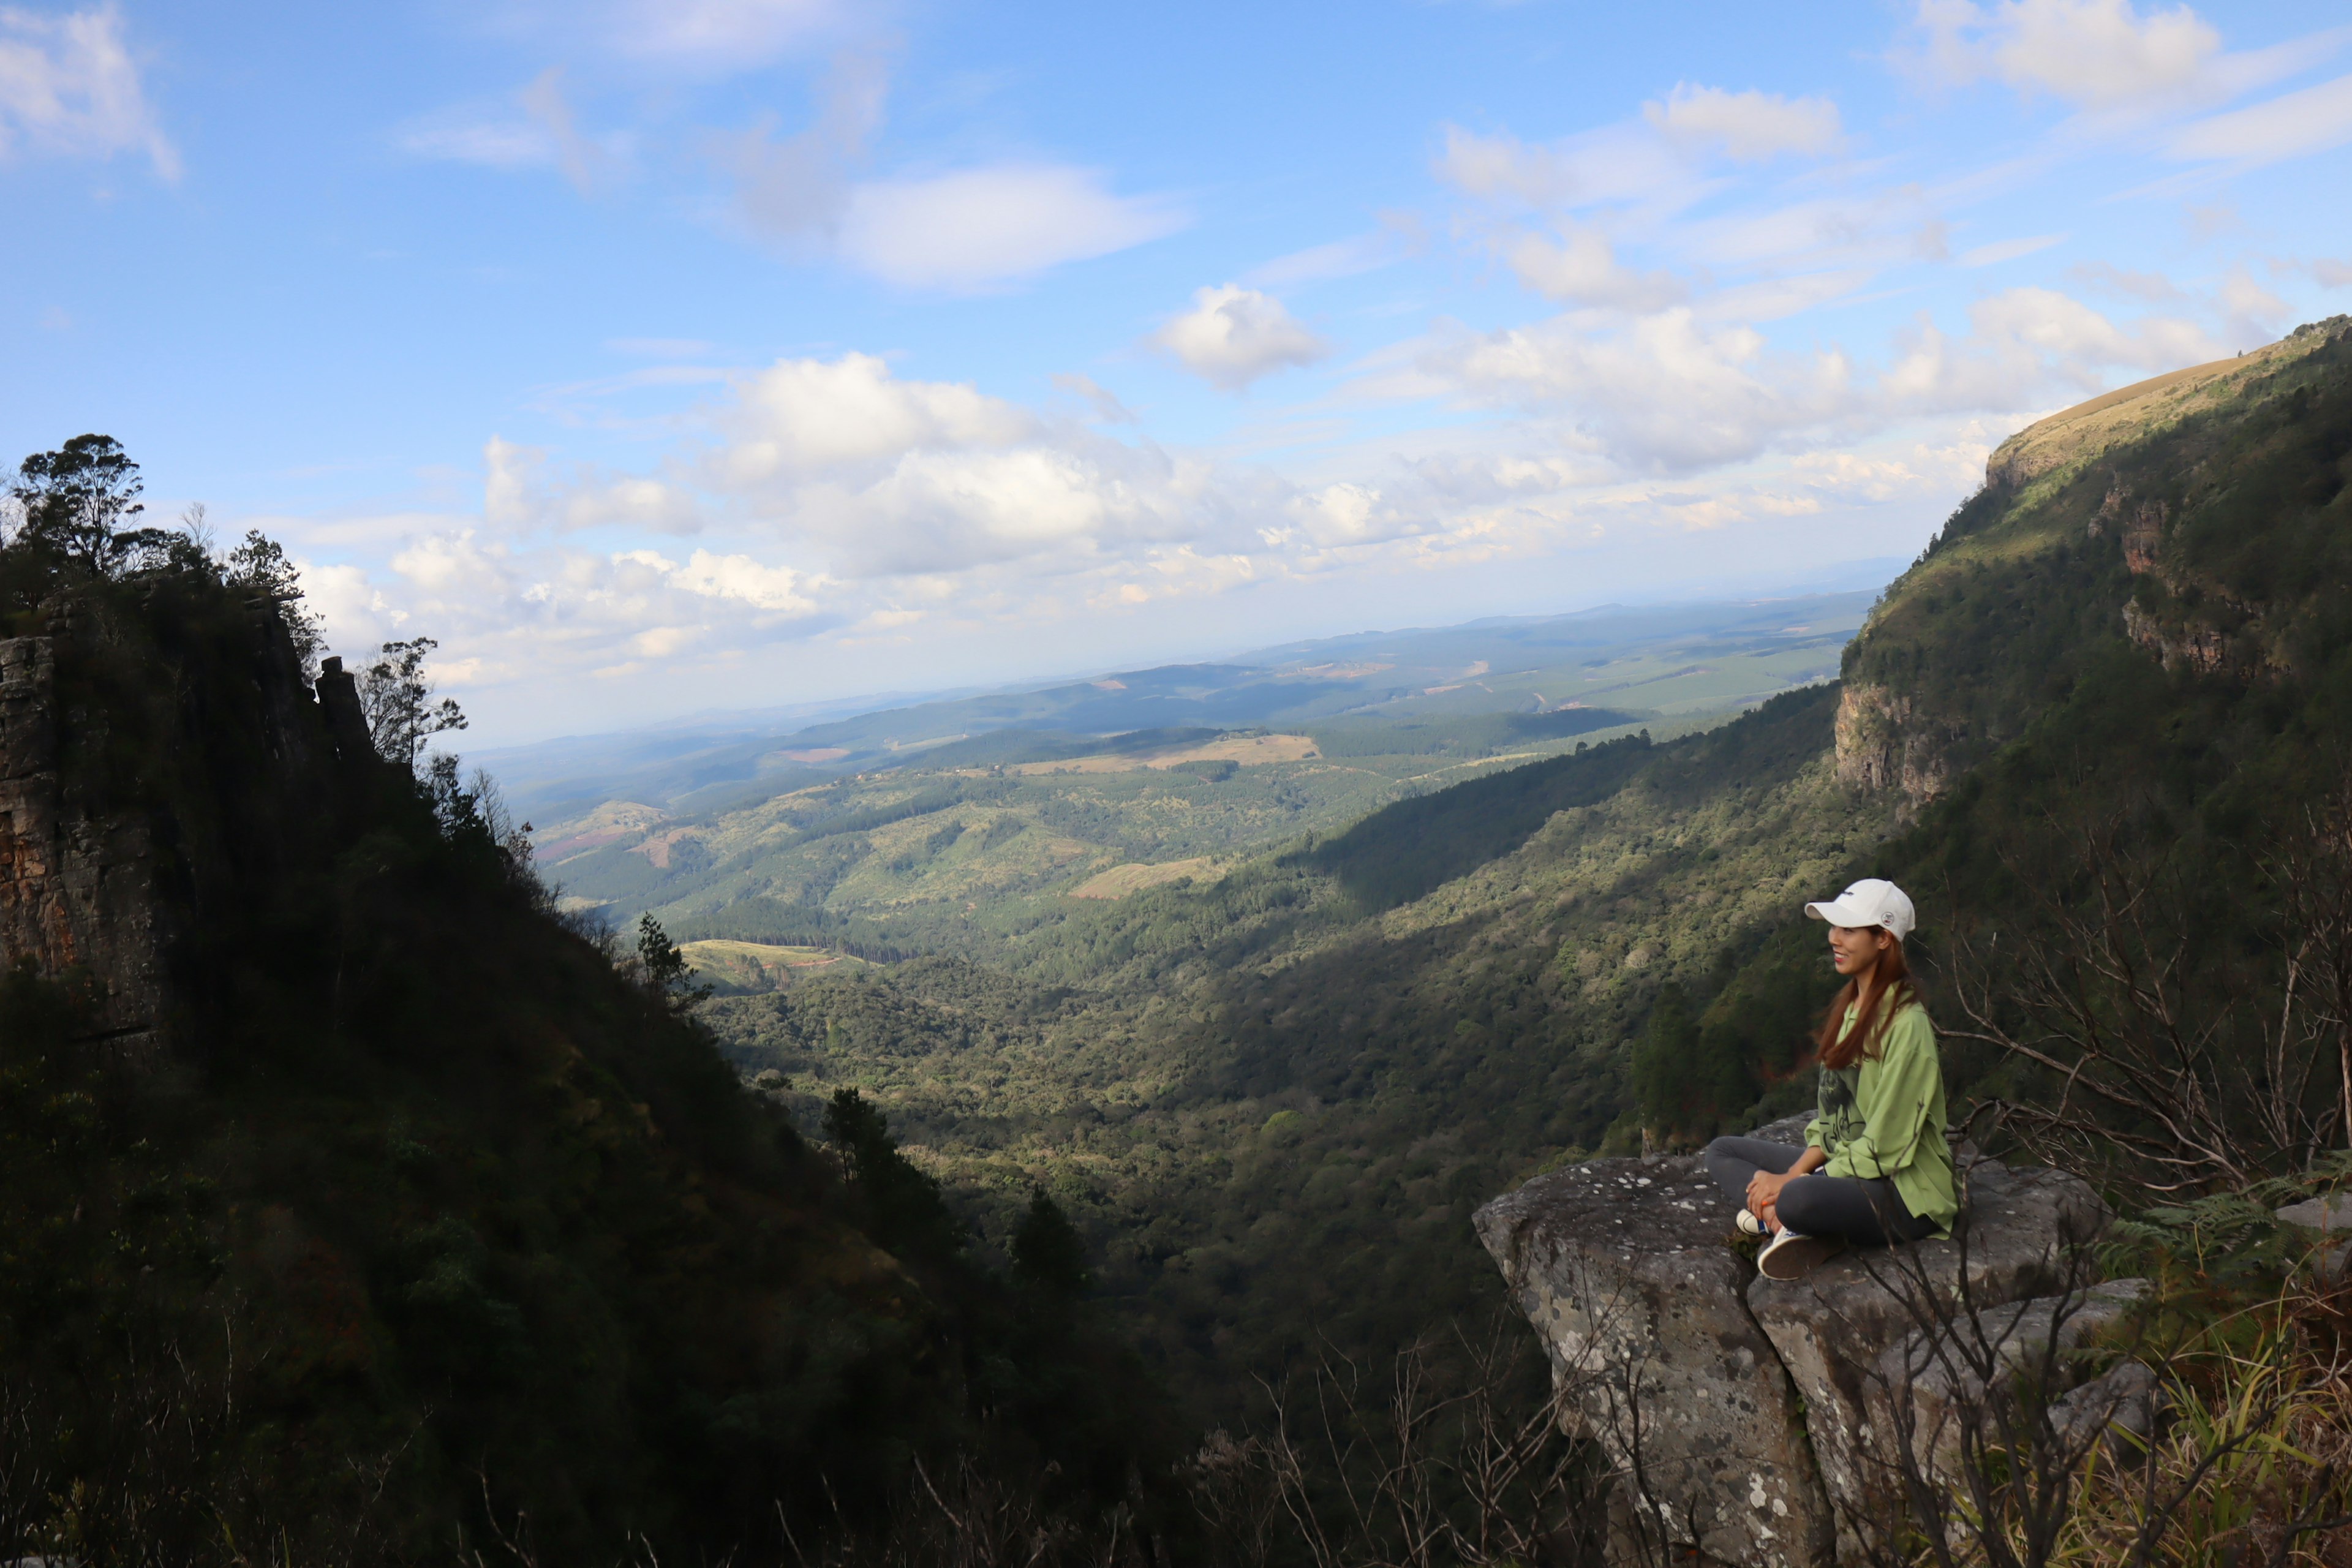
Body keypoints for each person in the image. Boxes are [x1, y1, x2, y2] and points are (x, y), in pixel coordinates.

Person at [1703, 878, 1958, 1281]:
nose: (1834, 938)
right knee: (1721, 1152)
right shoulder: (1851, 1010)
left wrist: (1791, 1181)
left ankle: (1793, 1220)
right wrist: (1792, 1174)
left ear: (1884, 939)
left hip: (1906, 1194)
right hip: (1851, 1173)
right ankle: (1793, 1226)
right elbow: (1832, 1123)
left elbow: (1886, 1150)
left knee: (1798, 1197)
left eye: (1849, 929)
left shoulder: (1907, 1026)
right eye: (1834, 927)